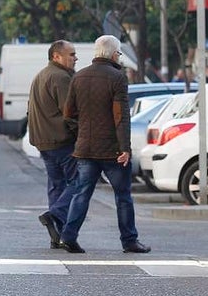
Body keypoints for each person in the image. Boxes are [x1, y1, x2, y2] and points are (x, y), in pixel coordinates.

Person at [57, 34, 150, 255]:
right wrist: (125, 148)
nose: (119, 56)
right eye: (118, 53)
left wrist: (82, 130)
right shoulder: (117, 77)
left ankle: (68, 236)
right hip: (111, 150)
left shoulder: (79, 76)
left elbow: (68, 112)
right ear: (112, 54)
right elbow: (121, 117)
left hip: (85, 148)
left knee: (82, 193)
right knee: (123, 195)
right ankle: (129, 241)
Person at [26, 40, 78, 248]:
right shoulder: (60, 77)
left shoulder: (41, 75)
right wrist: (80, 135)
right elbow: (70, 112)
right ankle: (55, 216)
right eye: (71, 54)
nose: (75, 58)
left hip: (43, 141)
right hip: (61, 139)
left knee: (56, 185)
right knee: (80, 182)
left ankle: (57, 235)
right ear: (56, 56)